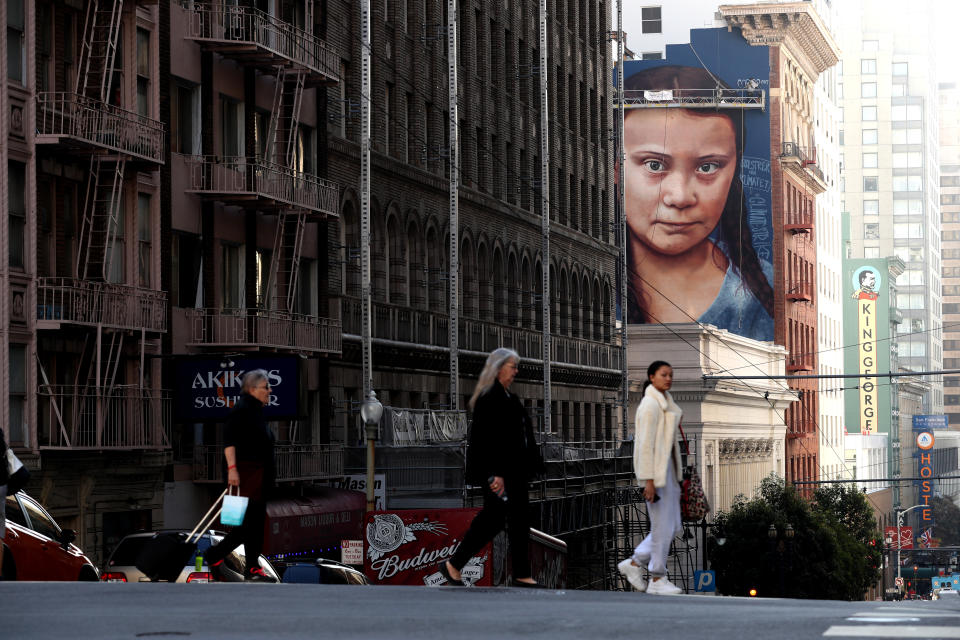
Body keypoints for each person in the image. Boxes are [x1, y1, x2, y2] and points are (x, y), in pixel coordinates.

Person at [623, 65, 774, 341]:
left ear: (734, 169)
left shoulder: (766, 292)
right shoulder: (582, 277)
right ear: (613, 169)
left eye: (707, 168)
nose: (680, 197)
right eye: (654, 165)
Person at [440, 348, 545, 588]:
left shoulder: (508, 397)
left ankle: (521, 574)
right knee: (493, 519)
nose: (516, 371)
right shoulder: (490, 398)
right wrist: (494, 474)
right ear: (498, 368)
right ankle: (454, 565)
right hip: (501, 474)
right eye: (512, 366)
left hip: (514, 472)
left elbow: (520, 436)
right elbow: (486, 440)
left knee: (517, 520)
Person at [617, 360, 684, 595]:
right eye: (663, 374)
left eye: (670, 374)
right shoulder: (650, 406)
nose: (668, 378)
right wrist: (648, 480)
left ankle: (635, 563)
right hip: (656, 474)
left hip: (669, 474)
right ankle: (657, 577)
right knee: (662, 526)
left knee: (673, 526)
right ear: (651, 377)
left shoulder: (665, 404)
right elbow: (644, 444)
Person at [205, 369, 277, 582]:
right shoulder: (241, 410)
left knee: (252, 525)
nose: (269, 390)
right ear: (253, 389)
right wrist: (232, 470)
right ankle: (243, 565)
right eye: (266, 387)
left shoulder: (255, 411)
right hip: (244, 477)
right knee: (248, 525)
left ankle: (246, 565)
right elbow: (229, 441)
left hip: (257, 477)